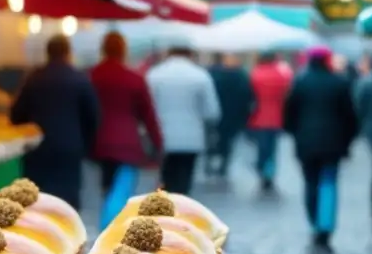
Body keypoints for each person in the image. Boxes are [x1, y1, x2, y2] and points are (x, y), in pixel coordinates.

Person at [10, 35, 99, 210]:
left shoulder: (33, 79)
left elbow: (16, 115)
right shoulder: (80, 79)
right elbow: (93, 116)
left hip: (38, 148)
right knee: (67, 200)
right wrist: (84, 144)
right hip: (70, 147)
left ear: (47, 53)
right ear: (68, 53)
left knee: (37, 199)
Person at [283, 46, 359, 249]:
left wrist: (295, 133)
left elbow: (289, 113)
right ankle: (325, 225)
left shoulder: (300, 82)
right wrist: (348, 140)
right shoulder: (340, 82)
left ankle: (314, 222)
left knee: (310, 183)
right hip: (333, 143)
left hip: (306, 143)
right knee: (329, 183)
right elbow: (350, 116)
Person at [90, 31, 163, 192]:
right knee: (122, 192)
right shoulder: (134, 79)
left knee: (107, 189)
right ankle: (116, 215)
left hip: (99, 143)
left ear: (103, 49)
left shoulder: (91, 76)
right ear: (124, 50)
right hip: (129, 144)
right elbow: (148, 116)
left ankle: (109, 214)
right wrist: (158, 143)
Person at [145, 46, 221, 195]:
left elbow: (148, 106)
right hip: (191, 138)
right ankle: (182, 208)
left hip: (162, 136)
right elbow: (212, 111)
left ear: (168, 52)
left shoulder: (154, 75)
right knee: (184, 181)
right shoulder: (201, 76)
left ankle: (165, 208)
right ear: (190, 53)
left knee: (165, 178)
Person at [249, 52, 293, 190]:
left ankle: (261, 167)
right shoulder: (282, 75)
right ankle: (269, 172)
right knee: (272, 148)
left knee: (261, 147)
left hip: (257, 117)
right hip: (277, 117)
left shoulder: (255, 74)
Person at [206, 53, 253, 178]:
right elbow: (247, 96)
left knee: (213, 139)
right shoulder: (241, 75)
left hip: (217, 113)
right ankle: (223, 165)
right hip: (233, 114)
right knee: (227, 141)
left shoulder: (211, 74)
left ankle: (211, 163)